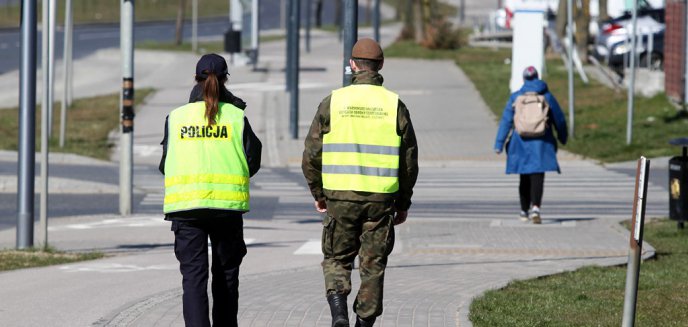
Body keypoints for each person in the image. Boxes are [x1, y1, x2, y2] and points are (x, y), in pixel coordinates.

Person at [302, 38, 419, 327]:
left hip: (340, 197)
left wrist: (318, 193)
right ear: (380, 66)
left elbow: (311, 154)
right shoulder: (394, 105)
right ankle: (364, 322)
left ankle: (339, 310)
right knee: (373, 265)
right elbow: (409, 162)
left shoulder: (333, 101)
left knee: (337, 258)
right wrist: (403, 203)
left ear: (352, 65)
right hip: (380, 200)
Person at [159, 53, 262, 327]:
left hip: (186, 209)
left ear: (196, 79)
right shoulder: (237, 117)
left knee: (193, 278)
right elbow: (253, 159)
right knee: (226, 275)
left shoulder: (176, 117)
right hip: (226, 210)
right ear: (226, 79)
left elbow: (164, 163)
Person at [493, 66, 567, 224]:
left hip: (520, 142)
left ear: (524, 79)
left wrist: (499, 144)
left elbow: (506, 121)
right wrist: (563, 137)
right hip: (542, 142)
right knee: (538, 175)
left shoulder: (515, 97)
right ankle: (536, 208)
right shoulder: (547, 96)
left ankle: (523, 210)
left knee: (524, 176)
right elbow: (559, 119)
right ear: (538, 77)